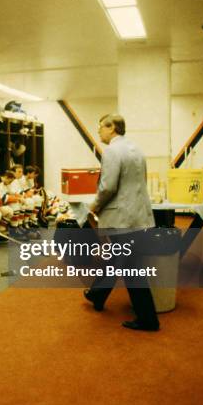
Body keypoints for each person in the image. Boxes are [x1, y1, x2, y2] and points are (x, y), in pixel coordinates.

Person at [83, 114, 160, 331]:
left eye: (101, 127)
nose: (99, 132)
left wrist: (94, 206)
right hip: (138, 215)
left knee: (132, 268)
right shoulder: (136, 149)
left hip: (122, 218)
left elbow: (108, 187)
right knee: (120, 258)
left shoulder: (111, 151)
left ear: (112, 128)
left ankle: (148, 319)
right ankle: (97, 294)